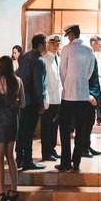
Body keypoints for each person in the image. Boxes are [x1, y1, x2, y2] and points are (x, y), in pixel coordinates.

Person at [56, 23, 98, 173]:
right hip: (83, 95)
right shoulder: (89, 50)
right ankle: (76, 161)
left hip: (68, 95)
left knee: (65, 129)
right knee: (81, 129)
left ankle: (65, 161)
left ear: (71, 34)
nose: (68, 38)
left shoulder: (67, 49)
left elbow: (62, 72)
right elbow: (89, 72)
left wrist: (68, 84)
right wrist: (81, 83)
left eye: (68, 35)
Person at [0, 54, 24, 201]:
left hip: (0, 122)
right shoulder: (18, 81)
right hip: (13, 121)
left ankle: (0, 194)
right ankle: (14, 190)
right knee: (11, 157)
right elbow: (23, 103)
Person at [15, 33, 48, 171]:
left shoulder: (23, 57)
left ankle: (19, 158)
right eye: (45, 43)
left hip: (22, 98)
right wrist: (41, 103)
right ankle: (28, 160)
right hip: (32, 100)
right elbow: (38, 84)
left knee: (21, 129)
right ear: (40, 45)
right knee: (29, 131)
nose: (47, 45)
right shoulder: (39, 60)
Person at [40, 34, 63, 163]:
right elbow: (43, 82)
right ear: (47, 45)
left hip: (57, 98)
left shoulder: (58, 59)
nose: (56, 46)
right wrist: (44, 99)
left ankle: (52, 149)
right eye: (53, 44)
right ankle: (46, 152)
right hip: (48, 99)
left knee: (54, 126)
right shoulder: (44, 60)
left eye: (58, 44)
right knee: (47, 127)